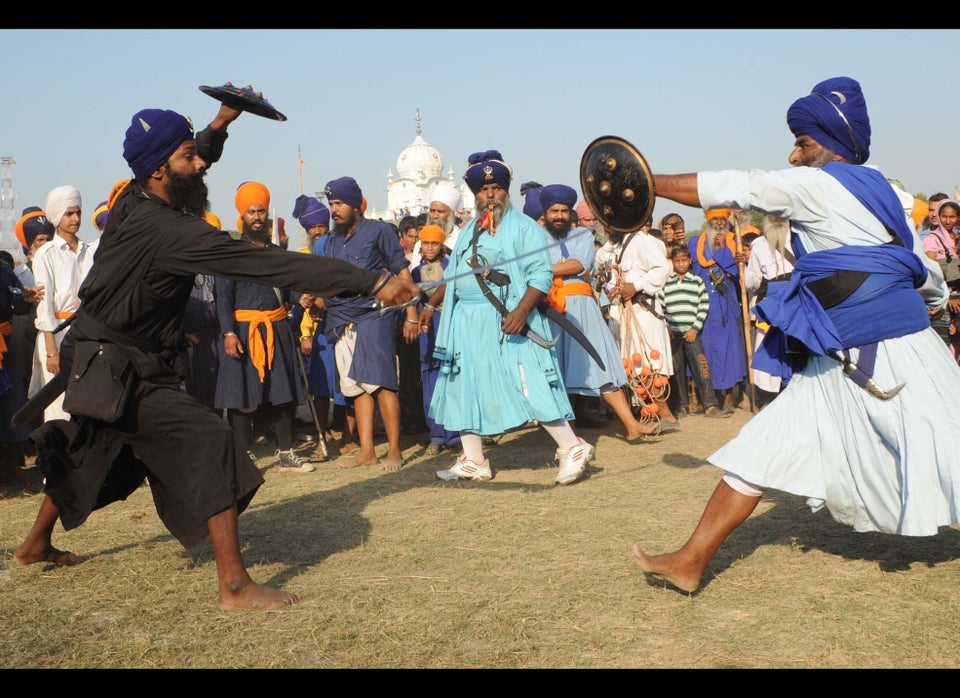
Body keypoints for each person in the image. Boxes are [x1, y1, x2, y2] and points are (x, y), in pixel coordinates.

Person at [13, 102, 419, 611]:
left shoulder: (131, 200)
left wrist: (219, 126)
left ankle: (33, 547)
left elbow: (193, 156)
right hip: (125, 367)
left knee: (87, 451)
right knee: (210, 441)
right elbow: (265, 262)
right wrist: (370, 280)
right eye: (189, 157)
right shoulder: (171, 232)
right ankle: (234, 587)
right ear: (160, 168)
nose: (201, 164)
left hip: (103, 357)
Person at [631, 76, 960, 594]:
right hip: (842, 356)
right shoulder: (890, 193)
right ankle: (690, 560)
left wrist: (643, 185)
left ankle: (690, 559)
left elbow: (738, 186)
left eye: (803, 142)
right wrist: (938, 298)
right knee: (764, 446)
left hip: (893, 351)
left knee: (948, 449)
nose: (794, 154)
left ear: (829, 141)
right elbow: (922, 269)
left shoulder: (821, 185)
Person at [422, 150, 594, 486]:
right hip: (466, 324)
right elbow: (454, 277)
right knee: (464, 384)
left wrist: (521, 311)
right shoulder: (469, 229)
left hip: (509, 322)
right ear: (475, 195)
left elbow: (541, 275)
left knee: (529, 383)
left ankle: (572, 446)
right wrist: (429, 306)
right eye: (483, 190)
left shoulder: (525, 227)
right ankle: (473, 459)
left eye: (497, 188)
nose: (490, 195)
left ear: (506, 190)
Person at [538, 183, 659, 441]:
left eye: (563, 211)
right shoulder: (535, 238)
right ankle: (571, 436)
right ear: (545, 214)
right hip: (550, 309)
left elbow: (578, 264)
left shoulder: (582, 235)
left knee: (601, 363)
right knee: (557, 369)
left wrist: (545, 270)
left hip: (582, 309)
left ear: (570, 213)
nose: (558, 216)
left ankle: (631, 425)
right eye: (553, 211)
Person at [213, 181, 313, 474]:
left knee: (282, 394)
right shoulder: (230, 252)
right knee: (243, 397)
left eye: (261, 212)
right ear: (242, 216)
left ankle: (286, 453)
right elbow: (223, 296)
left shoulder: (276, 252)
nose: (257, 217)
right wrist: (229, 333)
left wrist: (300, 297)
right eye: (252, 212)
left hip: (277, 327)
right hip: (243, 332)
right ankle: (244, 456)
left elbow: (289, 288)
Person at [323, 176, 415, 473]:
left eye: (339, 204)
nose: (334, 209)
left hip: (374, 315)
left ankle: (396, 450)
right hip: (340, 320)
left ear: (354, 204)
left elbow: (402, 272)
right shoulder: (331, 240)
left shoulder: (378, 231)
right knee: (358, 388)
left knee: (382, 384)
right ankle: (367, 451)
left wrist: (411, 312)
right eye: (331, 204)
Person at [291, 194, 356, 460]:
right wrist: (300, 319)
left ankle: (349, 439)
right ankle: (321, 441)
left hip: (341, 324)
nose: (317, 231)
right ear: (306, 231)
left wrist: (323, 300)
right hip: (317, 330)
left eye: (320, 226)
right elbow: (300, 294)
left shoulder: (338, 246)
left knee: (348, 385)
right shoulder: (302, 258)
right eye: (312, 228)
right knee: (319, 388)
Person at [29, 185, 97, 422]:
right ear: (58, 216)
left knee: (90, 401)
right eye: (69, 213)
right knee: (59, 407)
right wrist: (51, 352)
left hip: (88, 334)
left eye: (78, 212)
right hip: (57, 336)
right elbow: (45, 306)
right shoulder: (46, 254)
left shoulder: (90, 251)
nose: (76, 219)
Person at [602, 219, 678, 426]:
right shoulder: (615, 247)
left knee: (650, 365)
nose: (607, 227)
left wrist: (636, 286)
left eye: (609, 222)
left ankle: (664, 413)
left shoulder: (643, 241)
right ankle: (644, 415)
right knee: (628, 367)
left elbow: (662, 269)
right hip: (621, 313)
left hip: (643, 312)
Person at [687, 207, 748, 412]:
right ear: (709, 222)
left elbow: (738, 273)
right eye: (715, 219)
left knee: (728, 349)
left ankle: (729, 397)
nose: (719, 223)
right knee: (705, 349)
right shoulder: (696, 242)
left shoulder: (734, 240)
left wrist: (723, 251)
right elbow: (692, 269)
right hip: (702, 303)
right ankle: (705, 396)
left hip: (725, 302)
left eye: (723, 219)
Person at [657, 245, 726, 419]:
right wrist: (668, 327)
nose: (680, 264)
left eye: (683, 261)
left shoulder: (696, 282)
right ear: (671, 262)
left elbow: (703, 305)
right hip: (674, 334)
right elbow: (661, 307)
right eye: (677, 261)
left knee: (701, 366)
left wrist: (695, 328)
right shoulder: (666, 283)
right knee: (677, 370)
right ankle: (681, 406)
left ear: (689, 261)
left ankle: (710, 404)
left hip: (692, 333)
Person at [411, 224, 460, 456]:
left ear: (442, 245)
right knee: (430, 380)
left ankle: (456, 434)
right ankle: (437, 435)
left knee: (451, 379)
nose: (430, 248)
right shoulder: (415, 271)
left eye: (434, 243)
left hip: (449, 327)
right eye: (426, 243)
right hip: (427, 331)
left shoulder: (453, 267)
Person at [743, 214, 796, 406]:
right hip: (771, 306)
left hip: (796, 304)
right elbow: (753, 282)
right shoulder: (758, 245)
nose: (776, 219)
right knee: (767, 354)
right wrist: (742, 265)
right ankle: (769, 401)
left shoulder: (801, 238)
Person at [0, 254, 42, 490]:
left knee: (13, 407)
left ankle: (11, 465)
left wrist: (26, 298)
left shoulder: (4, 271)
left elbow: (18, 302)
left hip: (4, 350)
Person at [180, 211, 224, 410]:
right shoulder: (181, 262)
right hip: (184, 339)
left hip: (213, 336)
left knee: (214, 384)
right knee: (189, 387)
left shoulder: (220, 265)